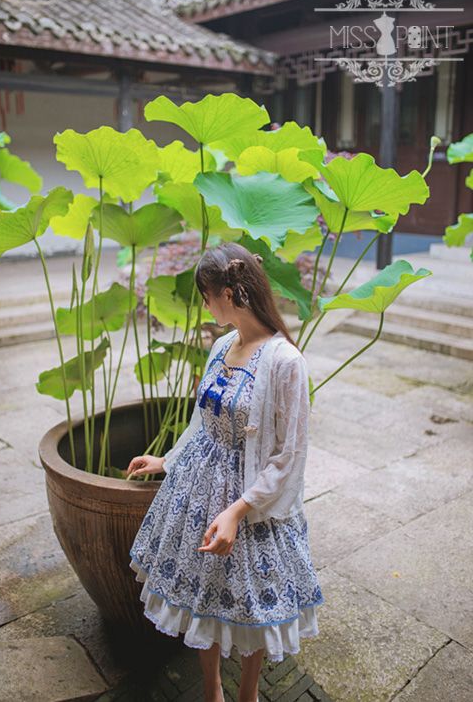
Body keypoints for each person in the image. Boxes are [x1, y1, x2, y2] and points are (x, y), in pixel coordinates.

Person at [128, 242, 323, 702]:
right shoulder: (222, 346)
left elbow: (289, 455)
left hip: (252, 501)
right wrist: (166, 462)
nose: (204, 304)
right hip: (200, 488)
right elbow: (202, 423)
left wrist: (239, 510)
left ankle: (248, 692)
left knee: (251, 601)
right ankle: (213, 688)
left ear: (231, 294)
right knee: (207, 595)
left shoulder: (285, 362)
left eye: (206, 294)